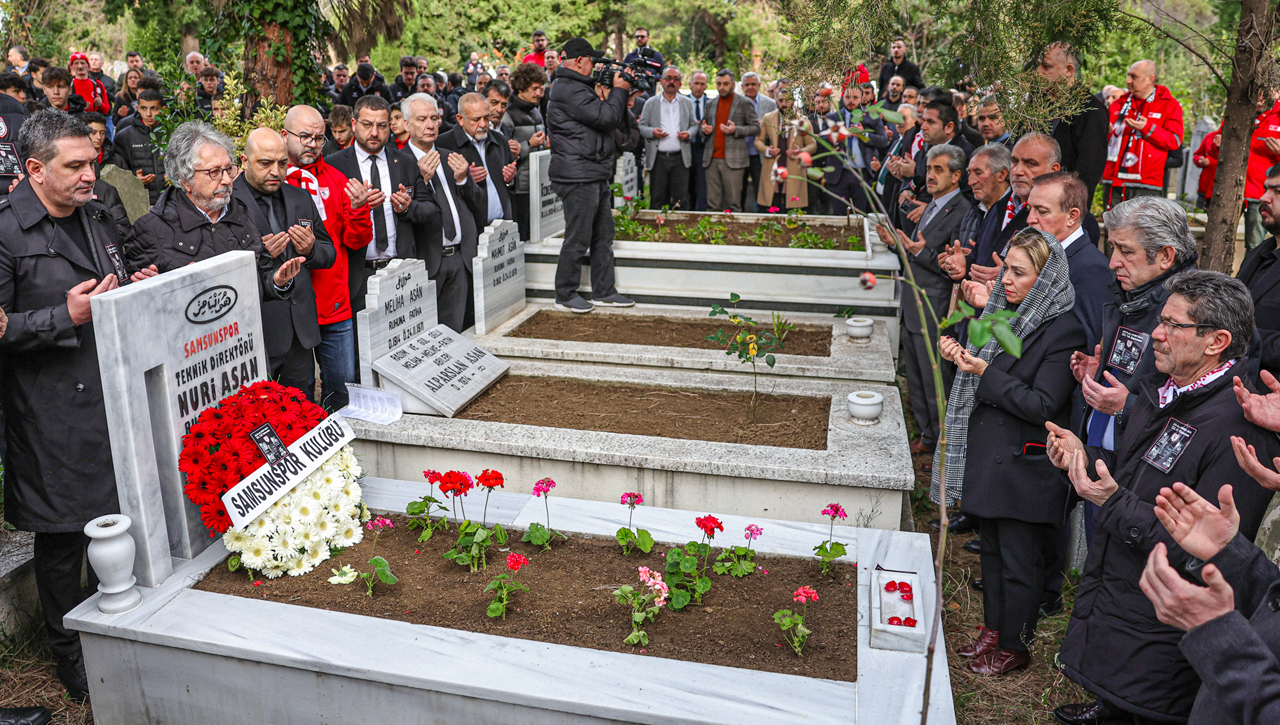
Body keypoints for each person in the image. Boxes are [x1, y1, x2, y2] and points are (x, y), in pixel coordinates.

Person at [1048, 269, 1279, 725]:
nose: (1157, 332)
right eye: (1162, 319)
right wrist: (1086, 456)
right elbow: (1140, 471)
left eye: (1174, 324)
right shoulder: (1165, 391)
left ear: (1216, 341)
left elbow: (1210, 551)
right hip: (1126, 605)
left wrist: (1112, 502)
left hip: (1163, 635)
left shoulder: (1237, 430)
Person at [0, 109, 161, 706]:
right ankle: (70, 651)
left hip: (112, 393)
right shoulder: (5, 232)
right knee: (65, 537)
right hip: (49, 411)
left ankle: (121, 622)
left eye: (92, 160)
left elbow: (107, 285)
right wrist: (60, 318)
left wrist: (133, 285)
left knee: (120, 514)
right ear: (35, 170)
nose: (91, 173)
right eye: (76, 165)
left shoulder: (98, 216)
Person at [939, 229, 1085, 676]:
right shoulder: (1007, 315)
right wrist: (963, 358)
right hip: (993, 456)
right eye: (1006, 270)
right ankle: (994, 630)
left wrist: (983, 373)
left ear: (1046, 279)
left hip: (1026, 464)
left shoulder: (1065, 329)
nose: (1006, 281)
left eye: (1019, 273)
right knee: (994, 554)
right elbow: (992, 370)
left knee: (1021, 562)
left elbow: (1042, 404)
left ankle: (1015, 646)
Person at [124, 121, 304, 298]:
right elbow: (138, 304)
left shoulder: (242, 214)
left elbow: (259, 279)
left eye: (228, 169)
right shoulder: (150, 230)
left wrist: (277, 281)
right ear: (185, 179)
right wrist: (170, 288)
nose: (226, 180)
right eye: (214, 172)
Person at [879, 144, 972, 459]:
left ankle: (944, 445)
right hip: (913, 303)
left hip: (933, 307)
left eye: (938, 170)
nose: (930, 176)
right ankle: (927, 436)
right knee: (917, 378)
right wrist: (899, 244)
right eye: (929, 168)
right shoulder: (931, 205)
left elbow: (955, 264)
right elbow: (917, 250)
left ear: (956, 176)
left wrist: (922, 253)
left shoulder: (961, 211)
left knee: (936, 384)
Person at [233, 128, 336, 400]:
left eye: (282, 163)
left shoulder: (299, 198)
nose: (275, 171)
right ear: (244, 161)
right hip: (259, 332)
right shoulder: (229, 202)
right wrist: (259, 254)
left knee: (302, 411)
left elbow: (329, 254)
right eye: (265, 163)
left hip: (300, 331)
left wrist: (310, 249)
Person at [281, 104, 372, 411]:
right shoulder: (272, 182)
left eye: (320, 138)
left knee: (342, 386)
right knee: (299, 392)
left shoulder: (335, 177)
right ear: (285, 135)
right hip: (291, 308)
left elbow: (355, 241)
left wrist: (359, 210)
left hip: (334, 302)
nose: (313, 144)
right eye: (305, 136)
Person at [545, 37, 635, 313]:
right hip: (577, 175)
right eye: (592, 60)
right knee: (578, 237)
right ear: (580, 60)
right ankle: (565, 293)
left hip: (592, 172)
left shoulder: (577, 87)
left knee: (603, 234)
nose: (596, 65)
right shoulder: (567, 89)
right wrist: (619, 91)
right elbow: (605, 118)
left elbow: (608, 121)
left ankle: (604, 291)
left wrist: (619, 97)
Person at [327, 95, 429, 318]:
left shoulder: (405, 161)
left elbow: (430, 210)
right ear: (354, 125)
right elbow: (328, 224)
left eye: (381, 126)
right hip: (358, 273)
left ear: (390, 127)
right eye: (367, 125)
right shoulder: (334, 165)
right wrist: (355, 208)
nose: (374, 133)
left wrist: (408, 207)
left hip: (400, 270)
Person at [402, 93, 479, 331]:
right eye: (422, 119)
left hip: (459, 257)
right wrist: (420, 180)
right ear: (406, 124)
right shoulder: (400, 163)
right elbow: (405, 213)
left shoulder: (449, 157)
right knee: (425, 335)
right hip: (426, 261)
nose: (430, 125)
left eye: (434, 118)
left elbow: (479, 206)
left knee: (457, 331)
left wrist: (465, 180)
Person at [1025, 172, 1111, 348]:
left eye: (1041, 211)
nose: (1030, 219)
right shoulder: (1044, 252)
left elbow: (1085, 342)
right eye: (1029, 209)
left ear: (1072, 216)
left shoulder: (1092, 269)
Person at [1102, 60, 1184, 210]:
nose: (1128, 81)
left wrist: (1147, 128)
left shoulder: (1169, 105)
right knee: (1112, 231)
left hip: (1146, 184)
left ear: (1150, 79)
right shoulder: (1119, 103)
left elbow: (1174, 140)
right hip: (1114, 181)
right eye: (1128, 76)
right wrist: (1104, 132)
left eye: (1134, 76)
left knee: (1143, 232)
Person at [437, 91, 516, 234]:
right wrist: (464, 180)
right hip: (470, 232)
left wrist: (510, 180)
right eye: (476, 119)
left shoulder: (499, 139)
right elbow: (441, 192)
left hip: (503, 226)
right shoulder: (444, 144)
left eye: (486, 118)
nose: (483, 124)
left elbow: (511, 186)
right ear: (460, 119)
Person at [1039, 42, 1109, 198]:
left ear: (1068, 70)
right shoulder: (1040, 103)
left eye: (1046, 67)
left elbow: (1089, 169)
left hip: (1064, 204)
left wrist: (1068, 202)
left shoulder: (1090, 109)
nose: (1039, 73)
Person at [1235, 163, 1280, 372]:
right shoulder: (1258, 254)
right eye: (1266, 189)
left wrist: (1236, 336)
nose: (1264, 198)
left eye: (1277, 192)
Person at [700, 69, 759, 213]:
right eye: (719, 84)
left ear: (733, 84)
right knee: (712, 204)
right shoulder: (710, 103)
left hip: (734, 160)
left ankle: (733, 234)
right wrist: (704, 130)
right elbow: (703, 128)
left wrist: (736, 130)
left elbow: (756, 128)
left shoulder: (744, 102)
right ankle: (712, 234)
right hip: (711, 159)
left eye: (725, 84)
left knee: (733, 204)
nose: (722, 87)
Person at [639, 66, 696, 210]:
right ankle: (655, 231)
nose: (672, 82)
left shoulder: (687, 103)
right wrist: (653, 132)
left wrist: (688, 134)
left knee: (681, 199)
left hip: (680, 158)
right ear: (661, 81)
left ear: (680, 83)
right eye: (668, 78)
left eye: (675, 79)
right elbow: (641, 127)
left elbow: (694, 126)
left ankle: (680, 230)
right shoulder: (651, 103)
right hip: (659, 158)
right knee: (657, 198)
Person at [502, 63, 549, 239]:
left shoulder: (536, 110)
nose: (539, 93)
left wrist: (544, 144)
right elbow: (504, 153)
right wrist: (529, 143)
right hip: (520, 187)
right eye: (534, 88)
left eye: (541, 88)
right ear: (521, 87)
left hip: (538, 183)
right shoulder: (508, 114)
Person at [825, 83, 888, 212]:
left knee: (861, 214)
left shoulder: (872, 117)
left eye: (855, 97)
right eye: (848, 97)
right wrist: (837, 136)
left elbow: (883, 141)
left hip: (863, 173)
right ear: (843, 97)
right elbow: (822, 142)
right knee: (839, 215)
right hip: (839, 174)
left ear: (862, 99)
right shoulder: (832, 117)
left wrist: (863, 134)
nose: (851, 101)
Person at [755, 82, 815, 212]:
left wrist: (801, 152)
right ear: (776, 100)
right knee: (772, 203)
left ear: (793, 101)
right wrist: (767, 151)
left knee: (792, 205)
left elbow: (812, 144)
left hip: (793, 168)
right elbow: (758, 141)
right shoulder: (768, 118)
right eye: (781, 100)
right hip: (773, 166)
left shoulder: (802, 120)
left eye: (787, 101)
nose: (784, 104)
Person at [109, 88, 166, 203]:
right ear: (138, 108)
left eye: (154, 108)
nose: (149, 114)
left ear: (163, 110)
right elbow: (118, 170)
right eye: (144, 108)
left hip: (171, 199)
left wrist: (175, 177)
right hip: (139, 200)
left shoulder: (173, 132)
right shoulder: (124, 136)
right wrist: (134, 178)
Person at [1245, 92, 1280, 250]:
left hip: (1259, 192)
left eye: (1264, 92)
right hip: (1229, 191)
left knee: (1254, 245)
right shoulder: (1240, 112)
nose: (1259, 96)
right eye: (1256, 91)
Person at [739, 71, 776, 212]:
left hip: (761, 154)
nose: (750, 87)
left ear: (759, 85)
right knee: (739, 188)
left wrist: (764, 126)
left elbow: (775, 128)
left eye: (753, 84)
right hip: (741, 152)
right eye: (747, 85)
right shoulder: (736, 102)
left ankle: (761, 215)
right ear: (742, 86)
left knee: (761, 188)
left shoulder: (770, 104)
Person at [687, 70, 709, 210]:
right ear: (690, 84)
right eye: (696, 83)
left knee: (702, 186)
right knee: (687, 186)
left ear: (706, 86)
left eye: (702, 84)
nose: (699, 87)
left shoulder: (711, 103)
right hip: (686, 148)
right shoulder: (682, 102)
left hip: (704, 149)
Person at [1192, 127, 1220, 210]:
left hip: (1219, 190)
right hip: (1204, 187)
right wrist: (1200, 160)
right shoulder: (1210, 136)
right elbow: (1197, 154)